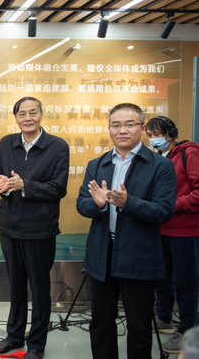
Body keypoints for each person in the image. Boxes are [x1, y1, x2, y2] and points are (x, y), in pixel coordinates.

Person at [76, 103, 177, 358]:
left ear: (142, 128)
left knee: (139, 325)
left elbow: (164, 211)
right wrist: (98, 205)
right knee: (101, 322)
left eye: (130, 124)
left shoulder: (160, 166)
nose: (122, 130)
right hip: (102, 254)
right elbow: (82, 204)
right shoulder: (97, 164)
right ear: (109, 129)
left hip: (139, 255)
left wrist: (128, 203)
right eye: (116, 125)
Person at [0, 96, 70, 359]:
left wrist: (25, 186)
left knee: (39, 288)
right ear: (15, 117)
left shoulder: (57, 146)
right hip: (9, 227)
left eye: (33, 113)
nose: (27, 118)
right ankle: (14, 336)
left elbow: (58, 188)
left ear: (41, 115)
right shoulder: (6, 143)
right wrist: (1, 185)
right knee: (15, 286)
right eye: (22, 113)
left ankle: (36, 343)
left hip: (39, 230)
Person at [145, 116, 199, 354]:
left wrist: (171, 205)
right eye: (149, 135)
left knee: (185, 282)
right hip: (160, 229)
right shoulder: (157, 158)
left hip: (184, 230)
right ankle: (164, 317)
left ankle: (187, 332)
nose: (153, 139)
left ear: (170, 133)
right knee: (163, 278)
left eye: (157, 134)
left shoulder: (189, 153)